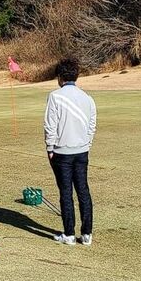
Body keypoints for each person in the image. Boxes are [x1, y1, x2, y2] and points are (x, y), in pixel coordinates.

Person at [44, 58, 97, 246]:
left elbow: (50, 126)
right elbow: (92, 126)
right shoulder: (87, 98)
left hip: (62, 152)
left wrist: (50, 148)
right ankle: (87, 234)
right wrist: (87, 144)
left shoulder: (55, 96)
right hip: (82, 151)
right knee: (83, 190)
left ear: (60, 77)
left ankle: (69, 234)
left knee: (66, 192)